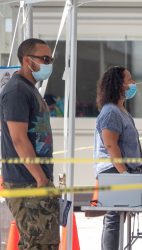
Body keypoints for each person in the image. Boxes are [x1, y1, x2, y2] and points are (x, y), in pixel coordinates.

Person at [0, 38, 59, 249]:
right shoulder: (17, 91)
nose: (48, 63)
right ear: (27, 60)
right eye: (44, 59)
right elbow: (18, 138)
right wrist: (41, 179)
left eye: (50, 59)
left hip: (34, 181)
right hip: (27, 182)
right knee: (39, 243)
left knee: (45, 242)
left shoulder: (29, 88)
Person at [94, 66, 142, 250]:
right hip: (114, 171)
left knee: (120, 216)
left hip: (124, 170)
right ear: (118, 85)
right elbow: (111, 145)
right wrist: (123, 172)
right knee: (114, 217)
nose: (133, 84)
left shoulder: (121, 111)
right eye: (129, 80)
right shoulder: (110, 112)